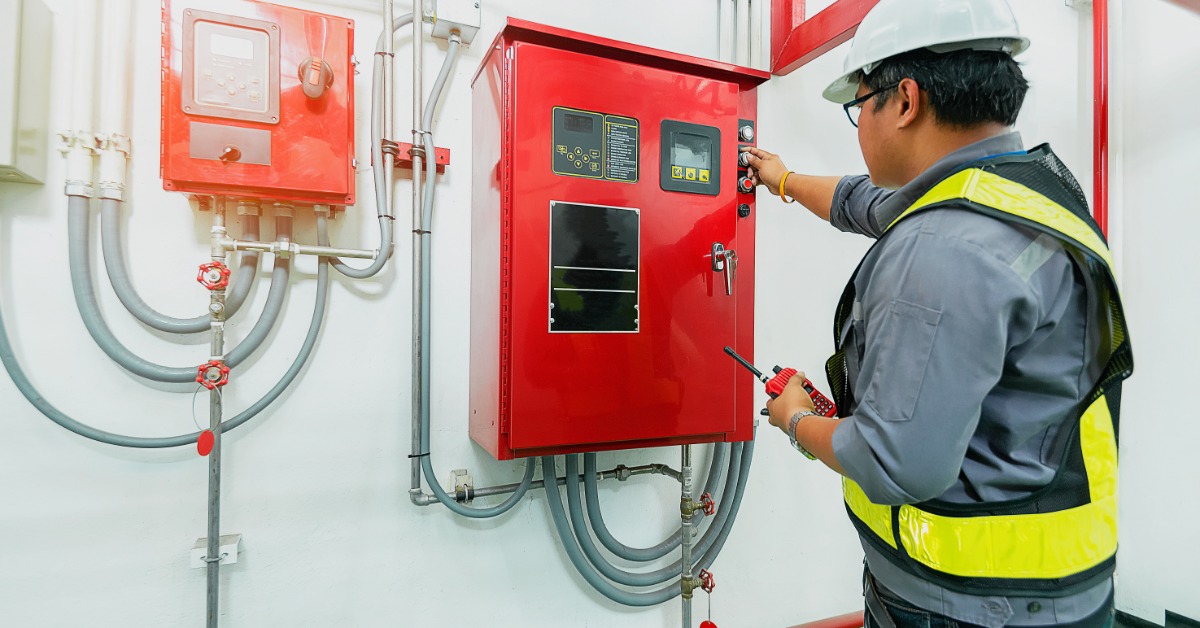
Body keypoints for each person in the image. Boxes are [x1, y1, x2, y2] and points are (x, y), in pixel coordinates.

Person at [744, 0, 1133, 626]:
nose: (859, 126)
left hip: (968, 606)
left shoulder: (943, 247)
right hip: (1055, 588)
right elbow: (863, 203)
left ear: (904, 100)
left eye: (858, 106)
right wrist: (783, 179)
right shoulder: (1026, 190)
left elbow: (894, 464)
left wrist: (795, 421)